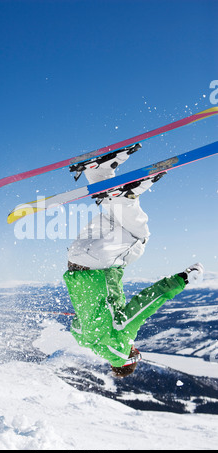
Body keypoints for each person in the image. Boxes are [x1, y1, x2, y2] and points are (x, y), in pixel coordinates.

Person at [63, 149, 204, 378]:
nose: (136, 349)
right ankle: (99, 172)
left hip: (98, 265)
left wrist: (183, 278)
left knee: (139, 238)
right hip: (76, 259)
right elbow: (77, 322)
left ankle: (125, 195)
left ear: (129, 358)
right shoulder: (84, 339)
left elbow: (147, 303)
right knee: (114, 218)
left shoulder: (121, 339)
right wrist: (89, 317)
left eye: (136, 354)